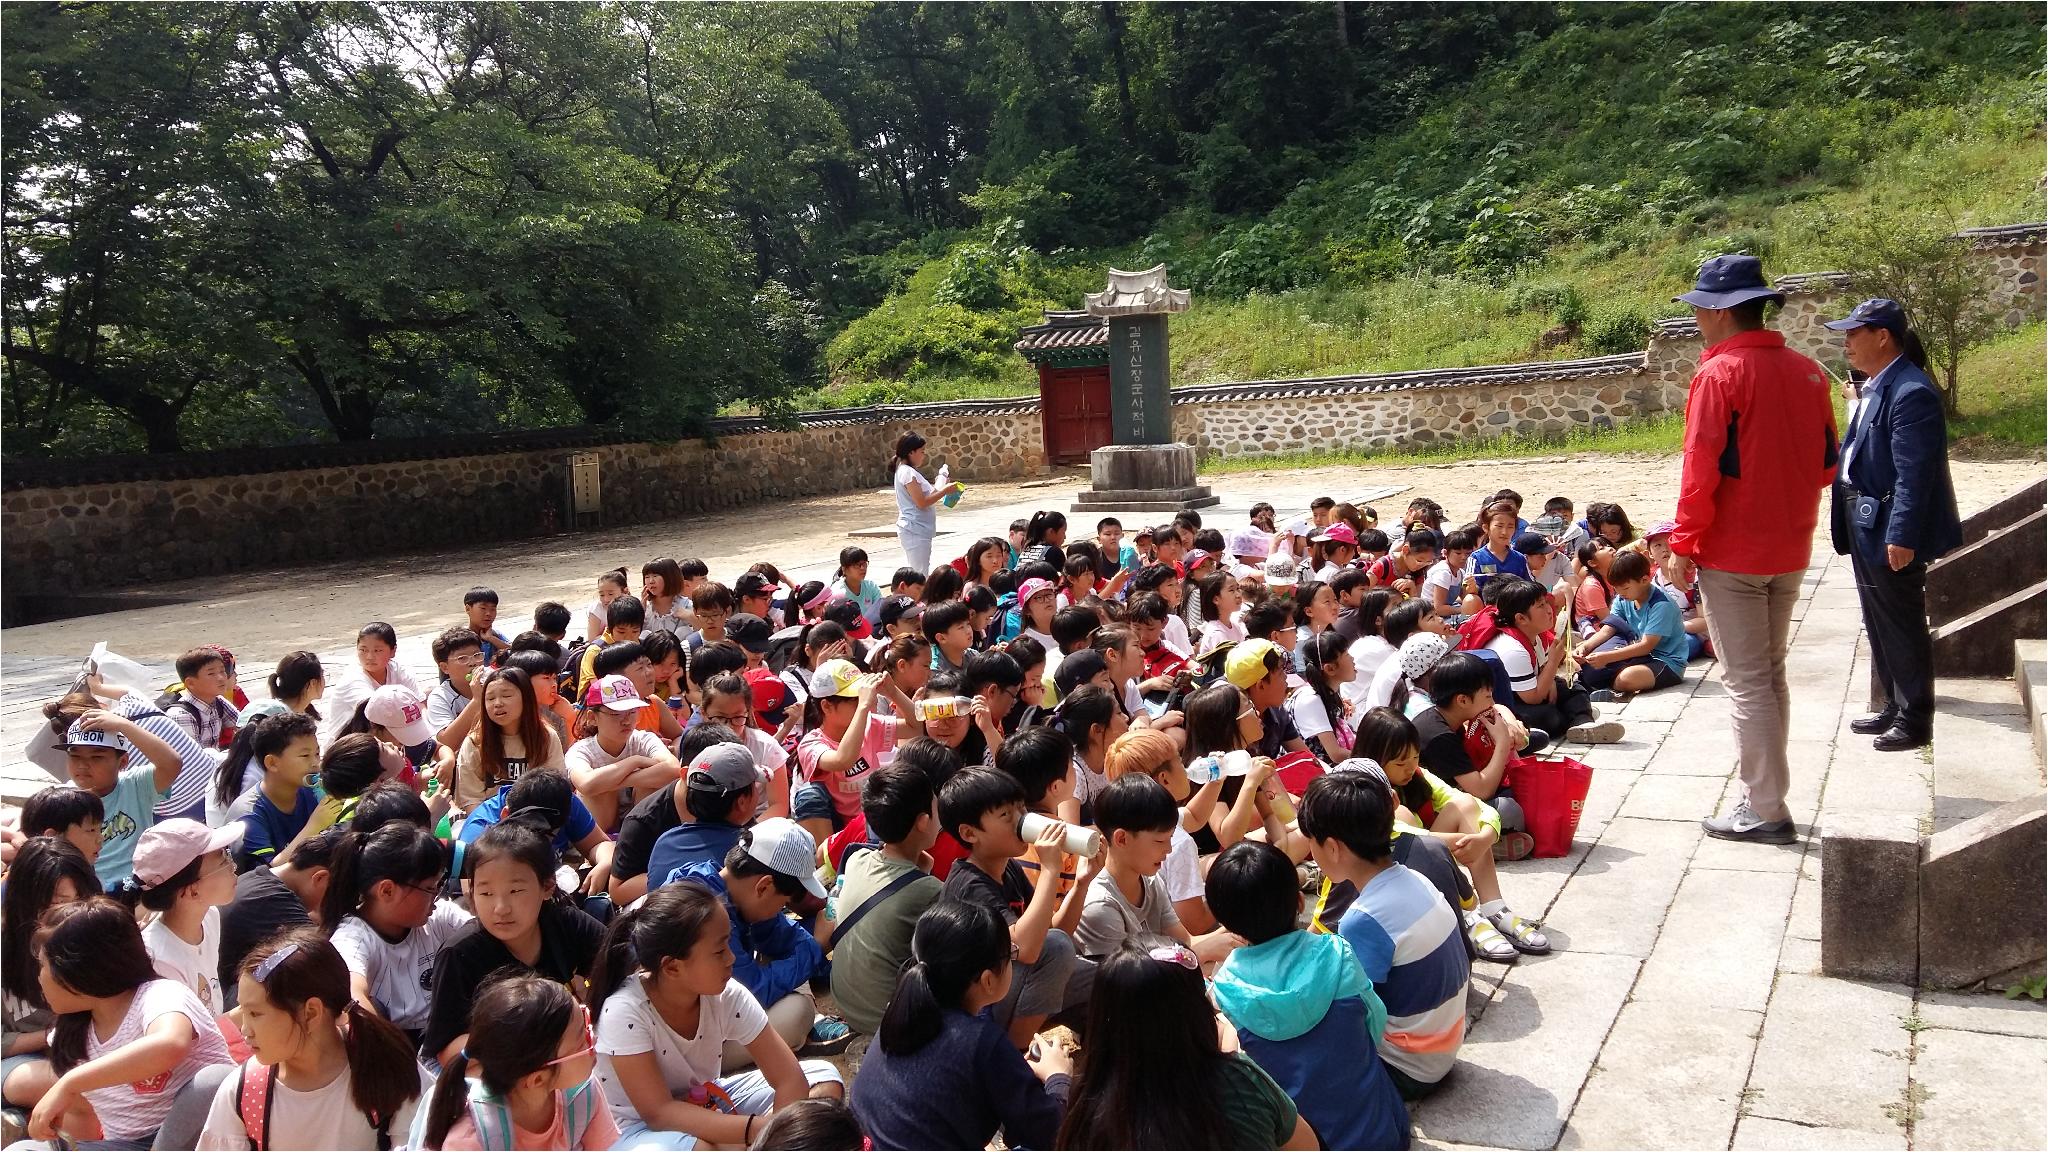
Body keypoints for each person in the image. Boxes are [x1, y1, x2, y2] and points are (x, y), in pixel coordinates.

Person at [1668, 254, 1839, 844]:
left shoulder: (1719, 375)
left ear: (1718, 312)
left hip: (1734, 552)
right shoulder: (1809, 372)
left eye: (1699, 309)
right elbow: (1824, 465)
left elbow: (1701, 469)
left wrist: (1684, 543)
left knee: (1746, 682)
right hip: (1790, 545)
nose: (1696, 319)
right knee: (1770, 673)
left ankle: (1766, 807)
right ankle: (1766, 794)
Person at [589, 883, 845, 1149]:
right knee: (699, 1149)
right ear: (672, 967)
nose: (731, 958)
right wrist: (759, 1129)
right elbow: (659, 1113)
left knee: (825, 1081)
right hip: (640, 1130)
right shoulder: (624, 1011)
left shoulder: (725, 994)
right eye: (719, 950)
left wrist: (773, 1136)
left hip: (707, 1097)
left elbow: (789, 1078)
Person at [1207, 841, 1411, 1150]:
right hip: (1381, 1137)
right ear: (1300, 902)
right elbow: (1375, 1021)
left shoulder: (1224, 991)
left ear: (1225, 924)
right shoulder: (1337, 953)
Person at [1826, 297, 1962, 754]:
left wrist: (1902, 534)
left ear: (1882, 336)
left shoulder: (1910, 391)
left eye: (1853, 332)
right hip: (1864, 516)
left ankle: (1915, 716)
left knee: (1901, 620)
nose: (1845, 341)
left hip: (1886, 523)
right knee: (1877, 615)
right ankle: (1892, 704)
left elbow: (1915, 473)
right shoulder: (1879, 384)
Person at [1299, 767, 1469, 1100]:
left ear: (1333, 848)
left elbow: (1347, 1009)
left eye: (1311, 843)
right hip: (1442, 1049)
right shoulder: (1414, 880)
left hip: (1407, 1068)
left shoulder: (1364, 918)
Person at [849, 902, 1069, 1151]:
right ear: (987, 980)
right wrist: (1058, 1077)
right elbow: (1052, 1134)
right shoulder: (983, 1042)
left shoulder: (902, 1011)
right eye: (1011, 955)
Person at [1058, 938, 1313, 1150]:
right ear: (1198, 1012)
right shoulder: (1240, 1082)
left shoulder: (1087, 1109)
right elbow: (1308, 1146)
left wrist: (1056, 1080)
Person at [19, 897, 233, 1150]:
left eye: (44, 965)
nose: (39, 977)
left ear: (79, 972)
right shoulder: (67, 1036)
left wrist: (70, 1083)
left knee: (215, 1081)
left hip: (207, 1137)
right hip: (127, 1146)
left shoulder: (160, 995)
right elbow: (85, 1126)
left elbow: (171, 1043)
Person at [196, 931, 427, 1151]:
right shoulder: (245, 1091)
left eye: (255, 1014)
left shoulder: (388, 1069)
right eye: (242, 1013)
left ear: (311, 1013)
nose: (245, 1030)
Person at [655, 821, 848, 1062]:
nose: (783, 909)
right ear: (764, 886)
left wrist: (814, 942)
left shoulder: (727, 886)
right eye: (783, 903)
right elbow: (753, 992)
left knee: (789, 955)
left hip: (719, 1009)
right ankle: (803, 1030)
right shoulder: (706, 912)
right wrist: (816, 947)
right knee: (799, 1012)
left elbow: (780, 934)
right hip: (688, 1048)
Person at [419, 820, 606, 1064]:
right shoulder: (459, 954)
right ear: (471, 895)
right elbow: (446, 1051)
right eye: (486, 893)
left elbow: (620, 964)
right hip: (485, 1067)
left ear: (547, 887)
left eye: (515, 891)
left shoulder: (563, 921)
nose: (501, 908)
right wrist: (529, 1040)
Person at [938, 767, 1093, 1050]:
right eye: (1006, 815)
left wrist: (1082, 884)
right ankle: (1011, 1053)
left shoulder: (1007, 867)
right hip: (977, 1006)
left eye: (1020, 809)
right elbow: (1029, 949)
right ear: (970, 833)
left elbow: (1053, 931)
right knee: (1057, 950)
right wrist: (1050, 868)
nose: (1020, 820)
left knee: (1105, 977)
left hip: (1009, 987)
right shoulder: (969, 883)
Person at [412, 974, 617, 1151]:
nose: (595, 1040)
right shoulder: (472, 1141)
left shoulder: (583, 1096)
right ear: (537, 1079)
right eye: (583, 1040)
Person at [819, 760, 945, 1038]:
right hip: (886, 1021)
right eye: (936, 807)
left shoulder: (857, 859)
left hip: (847, 1005)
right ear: (923, 821)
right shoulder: (929, 890)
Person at [321, 822, 473, 1045]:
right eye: (431, 888)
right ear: (387, 890)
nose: (437, 896)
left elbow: (486, 937)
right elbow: (350, 996)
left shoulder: (437, 914)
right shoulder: (352, 937)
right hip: (397, 1047)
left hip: (449, 1034)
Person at [1072, 774, 1236, 963]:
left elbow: (1185, 942)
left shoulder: (1150, 880)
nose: (1168, 849)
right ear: (1122, 839)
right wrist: (1200, 953)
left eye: (1170, 838)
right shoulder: (1099, 906)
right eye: (1160, 841)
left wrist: (1236, 927)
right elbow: (1128, 979)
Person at [2, 838, 99, 1113]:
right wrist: (50, 1035)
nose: (72, 913)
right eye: (60, 903)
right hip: (20, 1061)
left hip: (83, 1050)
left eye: (81, 900)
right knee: (77, 1086)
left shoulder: (96, 935)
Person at [112, 819, 243, 1015]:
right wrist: (250, 1010)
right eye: (224, 860)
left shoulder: (209, 916)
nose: (234, 867)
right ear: (192, 891)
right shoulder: (159, 961)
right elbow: (192, 1040)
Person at [57, 713, 185, 891]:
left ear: (123, 761)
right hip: (90, 892)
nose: (82, 765)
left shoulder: (135, 784)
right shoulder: (63, 799)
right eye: (75, 756)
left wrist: (124, 726)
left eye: (96, 757)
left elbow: (172, 763)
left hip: (140, 885)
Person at [217, 828, 340, 1009]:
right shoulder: (274, 900)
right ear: (320, 878)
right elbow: (331, 963)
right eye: (338, 893)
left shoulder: (259, 880)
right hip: (230, 1009)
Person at [1575, 550, 1689, 699]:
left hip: (1666, 663)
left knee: (1627, 678)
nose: (1620, 593)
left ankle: (1607, 687)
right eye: (1616, 589)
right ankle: (1600, 684)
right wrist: (1586, 646)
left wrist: (1608, 657)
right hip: (1639, 657)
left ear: (1644, 580)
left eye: (1625, 588)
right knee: (1582, 658)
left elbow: (1647, 646)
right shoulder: (1623, 599)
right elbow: (1608, 630)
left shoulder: (1661, 604)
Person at [321, 623, 422, 747]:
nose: (369, 657)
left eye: (377, 650)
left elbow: (420, 703)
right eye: (363, 650)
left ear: (393, 651)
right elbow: (375, 715)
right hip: (349, 749)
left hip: (389, 742)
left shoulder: (397, 670)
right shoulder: (353, 678)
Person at [891, 433, 961, 574]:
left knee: (921, 569)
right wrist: (945, 490)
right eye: (922, 452)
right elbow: (922, 502)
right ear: (911, 452)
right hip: (914, 528)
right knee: (919, 572)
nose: (924, 455)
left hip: (918, 528)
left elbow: (929, 494)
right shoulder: (907, 473)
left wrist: (941, 482)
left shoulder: (908, 471)